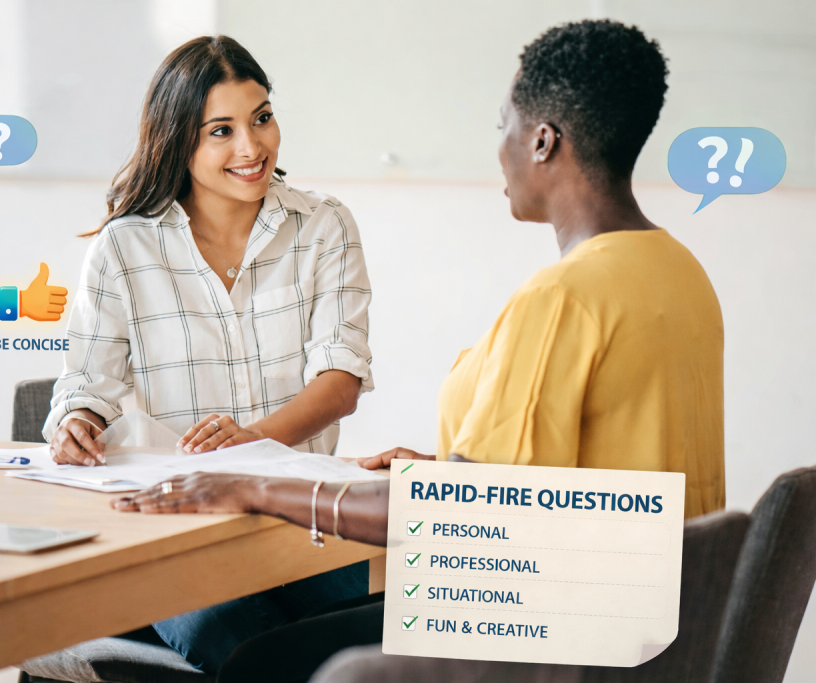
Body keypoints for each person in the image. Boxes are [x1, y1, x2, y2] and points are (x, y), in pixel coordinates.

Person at [112, 19, 726, 680]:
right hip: (642, 630)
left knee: (251, 655)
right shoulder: (678, 271)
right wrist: (439, 467)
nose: (501, 151)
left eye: (505, 127)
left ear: (543, 140)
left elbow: (464, 511)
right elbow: (574, 477)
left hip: (549, 639)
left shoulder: (563, 298)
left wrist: (253, 483)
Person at [39, 35, 375, 674]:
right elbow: (84, 385)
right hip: (177, 538)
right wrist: (76, 423)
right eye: (221, 130)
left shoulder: (324, 225)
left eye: (262, 118)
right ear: (178, 141)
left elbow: (340, 380)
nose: (252, 147)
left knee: (388, 613)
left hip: (303, 527)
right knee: (238, 637)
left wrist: (248, 447)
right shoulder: (123, 248)